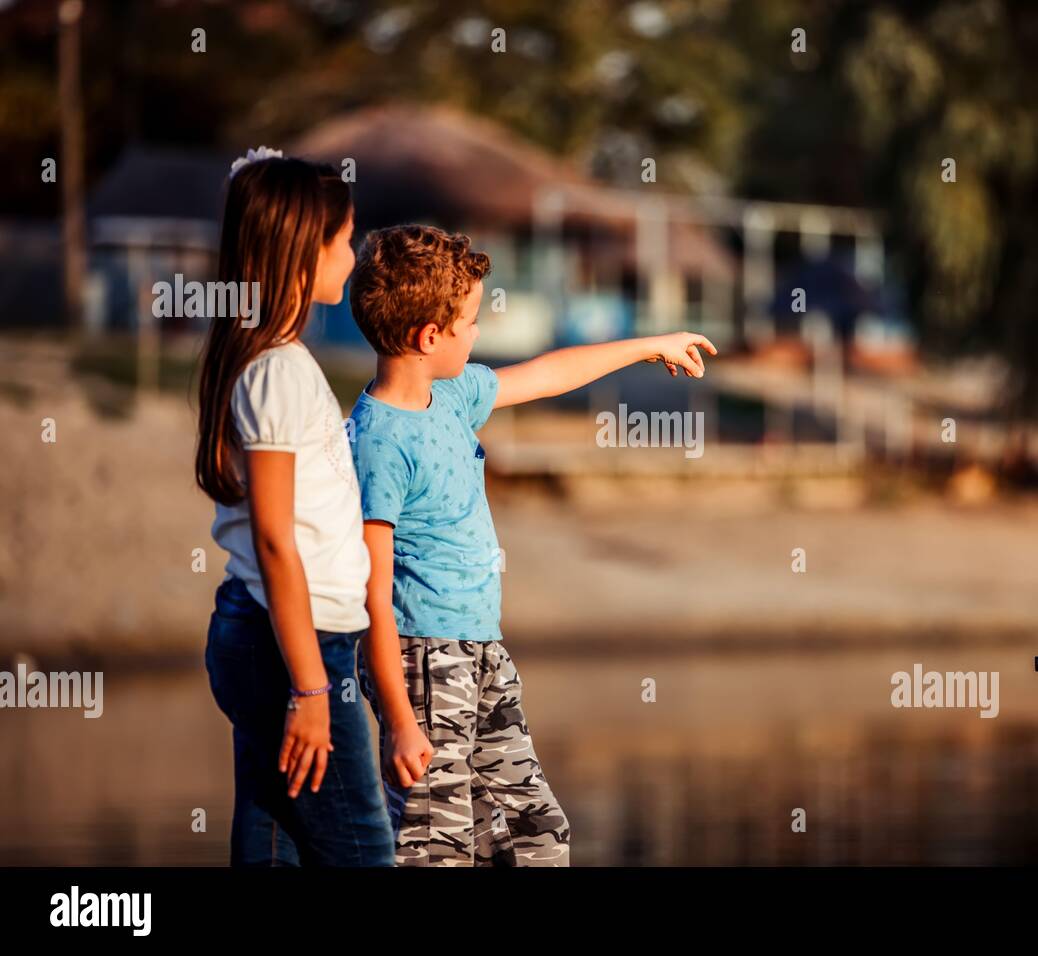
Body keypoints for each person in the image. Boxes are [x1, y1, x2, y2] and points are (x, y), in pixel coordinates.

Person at [348, 223, 716, 865]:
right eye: (469, 321)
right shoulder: (379, 441)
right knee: (438, 848)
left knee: (537, 834)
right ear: (428, 337)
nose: (478, 332)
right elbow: (373, 594)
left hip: (482, 650)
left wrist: (649, 345)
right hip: (425, 666)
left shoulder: (451, 397)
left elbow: (547, 374)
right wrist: (403, 721)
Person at [195, 150, 394, 866]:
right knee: (363, 852)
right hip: (296, 649)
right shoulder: (278, 370)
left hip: (269, 636)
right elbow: (277, 541)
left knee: (272, 839)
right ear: (300, 254)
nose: (353, 253)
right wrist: (311, 686)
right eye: (342, 241)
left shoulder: (271, 361)